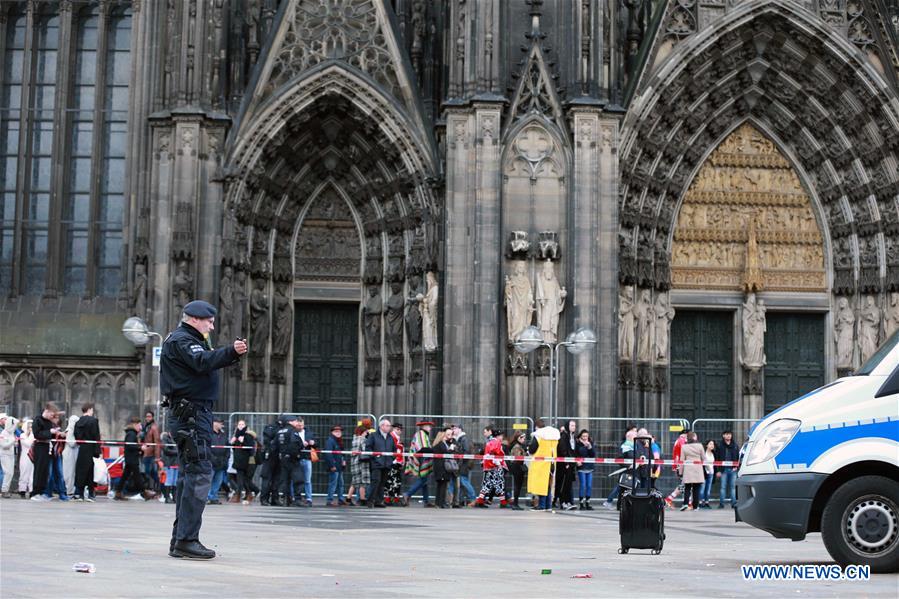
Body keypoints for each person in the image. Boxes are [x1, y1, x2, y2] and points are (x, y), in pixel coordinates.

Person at [160, 299, 247, 559]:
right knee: (198, 474)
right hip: (191, 415)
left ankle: (181, 540)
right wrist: (230, 351)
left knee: (191, 475)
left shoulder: (186, 339)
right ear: (194, 318)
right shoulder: (182, 340)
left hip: (193, 414)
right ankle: (186, 539)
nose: (212, 324)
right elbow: (202, 362)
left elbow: (203, 363)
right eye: (208, 320)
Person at [117, 417, 155, 500]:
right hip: (132, 459)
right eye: (139, 425)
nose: (140, 427)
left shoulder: (132, 433)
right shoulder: (131, 434)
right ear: (135, 424)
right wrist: (140, 448)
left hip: (130, 458)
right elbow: (130, 445)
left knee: (125, 476)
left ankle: (118, 492)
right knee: (137, 476)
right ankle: (144, 492)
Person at [365, 418, 398, 508]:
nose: (389, 427)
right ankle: (370, 501)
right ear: (381, 426)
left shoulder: (390, 437)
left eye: (389, 426)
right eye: (387, 426)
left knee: (382, 483)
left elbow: (394, 449)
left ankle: (379, 501)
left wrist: (391, 459)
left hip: (387, 463)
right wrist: (376, 457)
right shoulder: (373, 435)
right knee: (376, 482)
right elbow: (368, 448)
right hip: (376, 464)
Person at [603, 425, 637, 508]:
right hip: (626, 470)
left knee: (623, 486)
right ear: (629, 437)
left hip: (632, 470)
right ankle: (609, 501)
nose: (636, 437)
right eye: (634, 436)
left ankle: (617, 503)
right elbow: (619, 458)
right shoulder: (624, 446)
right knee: (621, 486)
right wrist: (628, 465)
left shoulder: (633, 446)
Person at [527, 419, 559, 510]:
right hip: (552, 463)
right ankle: (548, 505)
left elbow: (532, 449)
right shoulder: (554, 436)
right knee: (548, 485)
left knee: (541, 485)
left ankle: (541, 506)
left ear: (536, 427)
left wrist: (528, 449)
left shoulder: (539, 435)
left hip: (541, 464)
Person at [471, 430, 508, 508]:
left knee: (487, 485)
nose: (502, 438)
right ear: (498, 436)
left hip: (488, 466)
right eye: (501, 436)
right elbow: (494, 453)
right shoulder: (496, 442)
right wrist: (498, 464)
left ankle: (480, 500)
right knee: (500, 484)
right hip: (495, 466)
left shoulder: (489, 442)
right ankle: (503, 502)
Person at [30, 403, 59, 501]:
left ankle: (42, 491)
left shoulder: (48, 422)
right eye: (52, 414)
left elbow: (50, 435)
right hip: (39, 446)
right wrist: (49, 432)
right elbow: (37, 434)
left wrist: (56, 433)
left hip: (47, 446)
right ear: (46, 411)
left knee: (45, 470)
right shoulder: (37, 420)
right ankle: (35, 492)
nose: (52, 417)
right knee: (39, 469)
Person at [73, 403, 101, 501]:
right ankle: (90, 493)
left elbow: (76, 436)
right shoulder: (93, 421)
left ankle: (79, 493)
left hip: (82, 448)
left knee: (80, 470)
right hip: (91, 447)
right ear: (89, 410)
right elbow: (96, 436)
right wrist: (97, 451)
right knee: (90, 471)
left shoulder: (78, 422)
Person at [277, 415, 306, 507]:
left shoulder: (280, 431)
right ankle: (297, 499)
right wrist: (298, 450)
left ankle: (286, 499)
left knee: (285, 479)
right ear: (290, 422)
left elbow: (276, 443)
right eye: (295, 421)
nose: (297, 423)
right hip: (292, 459)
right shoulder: (292, 431)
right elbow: (295, 443)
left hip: (283, 458)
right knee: (298, 479)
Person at [404, 420, 434, 507]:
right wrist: (434, 449)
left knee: (424, 480)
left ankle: (426, 500)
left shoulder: (423, 434)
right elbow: (423, 448)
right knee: (423, 479)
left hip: (422, 458)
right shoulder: (421, 434)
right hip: (421, 459)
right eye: (429, 426)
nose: (430, 428)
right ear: (423, 426)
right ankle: (408, 494)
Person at [429, 426, 458, 508]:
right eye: (447, 435)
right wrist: (451, 449)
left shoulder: (443, 444)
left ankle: (439, 503)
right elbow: (446, 453)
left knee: (442, 486)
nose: (449, 437)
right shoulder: (440, 444)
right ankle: (440, 503)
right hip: (441, 468)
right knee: (442, 486)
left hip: (443, 468)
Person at [230, 420, 256, 504]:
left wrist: (243, 441)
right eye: (239, 424)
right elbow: (234, 449)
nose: (241, 426)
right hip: (238, 460)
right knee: (240, 479)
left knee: (244, 479)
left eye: (242, 424)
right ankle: (246, 494)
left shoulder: (248, 435)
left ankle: (241, 495)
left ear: (245, 425)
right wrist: (232, 443)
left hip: (246, 461)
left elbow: (251, 449)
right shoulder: (236, 435)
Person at [259, 416, 283, 506]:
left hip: (277, 456)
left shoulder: (281, 428)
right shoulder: (271, 427)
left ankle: (274, 499)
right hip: (270, 456)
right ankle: (264, 499)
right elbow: (267, 440)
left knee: (276, 479)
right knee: (267, 479)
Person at [347, 418, 372, 506]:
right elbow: (365, 450)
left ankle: (348, 498)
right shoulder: (363, 440)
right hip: (361, 463)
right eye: (365, 432)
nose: (366, 433)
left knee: (354, 482)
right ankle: (362, 499)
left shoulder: (354, 439)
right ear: (362, 432)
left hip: (354, 462)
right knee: (362, 482)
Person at [678, 432, 705, 511]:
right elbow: (704, 458)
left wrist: (680, 472)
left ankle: (685, 503)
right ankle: (695, 506)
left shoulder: (684, 447)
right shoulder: (700, 446)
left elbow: (681, 461)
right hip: (698, 469)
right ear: (694, 437)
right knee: (696, 488)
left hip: (688, 469)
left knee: (687, 487)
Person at [555, 420, 578, 510]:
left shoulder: (573, 437)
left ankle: (568, 502)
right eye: (572, 425)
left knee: (568, 485)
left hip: (571, 464)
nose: (573, 427)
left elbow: (573, 450)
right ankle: (563, 502)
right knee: (564, 484)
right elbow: (562, 449)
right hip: (565, 464)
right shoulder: (564, 436)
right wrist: (566, 462)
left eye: (574, 425)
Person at [294, 417, 316, 506]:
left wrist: (313, 443)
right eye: (298, 425)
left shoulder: (309, 433)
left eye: (301, 425)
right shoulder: (293, 433)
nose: (300, 427)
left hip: (307, 458)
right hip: (296, 458)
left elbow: (316, 443)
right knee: (295, 480)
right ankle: (295, 497)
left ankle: (309, 498)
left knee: (307, 480)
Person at [452, 424, 476, 507]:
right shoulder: (459, 439)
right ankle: (461, 500)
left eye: (454, 428)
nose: (453, 430)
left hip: (464, 464)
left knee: (463, 481)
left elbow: (466, 452)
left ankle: (473, 498)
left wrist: (456, 449)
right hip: (463, 463)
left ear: (460, 429)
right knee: (462, 482)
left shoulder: (464, 439)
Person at [715, 430, 740, 509]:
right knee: (723, 487)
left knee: (733, 487)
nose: (728, 436)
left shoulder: (735, 446)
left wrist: (736, 466)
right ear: (723, 436)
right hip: (723, 469)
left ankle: (734, 503)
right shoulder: (720, 446)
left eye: (729, 434)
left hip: (733, 470)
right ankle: (721, 504)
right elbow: (717, 458)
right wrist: (718, 470)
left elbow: (738, 457)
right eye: (726, 434)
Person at [665, 429, 689, 509]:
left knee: (684, 484)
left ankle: (669, 499)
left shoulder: (678, 440)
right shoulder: (682, 440)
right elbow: (685, 451)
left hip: (679, 465)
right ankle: (669, 499)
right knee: (685, 484)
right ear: (685, 434)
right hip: (681, 465)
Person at [207, 419, 229, 505]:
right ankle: (207, 497)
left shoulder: (223, 435)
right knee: (209, 480)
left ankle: (214, 497)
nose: (222, 425)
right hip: (211, 461)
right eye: (220, 423)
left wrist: (225, 459)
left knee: (218, 481)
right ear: (214, 423)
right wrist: (212, 458)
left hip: (221, 461)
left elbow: (227, 447)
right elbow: (207, 448)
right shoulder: (209, 434)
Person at [324, 425, 346, 506]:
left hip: (339, 466)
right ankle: (329, 500)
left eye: (339, 431)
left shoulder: (339, 441)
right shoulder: (330, 441)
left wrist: (344, 461)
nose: (338, 433)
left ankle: (341, 499)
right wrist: (332, 465)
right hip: (334, 466)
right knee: (333, 483)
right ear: (332, 432)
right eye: (336, 431)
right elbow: (328, 454)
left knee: (341, 484)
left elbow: (342, 453)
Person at [384, 423, 404, 505]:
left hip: (397, 461)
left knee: (396, 481)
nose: (399, 431)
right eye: (398, 429)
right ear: (394, 429)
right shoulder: (391, 437)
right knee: (391, 480)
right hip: (393, 461)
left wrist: (402, 461)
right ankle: (388, 498)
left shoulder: (396, 438)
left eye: (400, 429)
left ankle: (394, 498)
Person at [141, 410, 161, 491]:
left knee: (148, 472)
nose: (147, 418)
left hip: (150, 454)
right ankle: (158, 488)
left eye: (149, 416)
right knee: (152, 473)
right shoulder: (146, 426)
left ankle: (152, 489)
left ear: (152, 417)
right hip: (145, 452)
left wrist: (157, 456)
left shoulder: (153, 427)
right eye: (146, 416)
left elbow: (157, 442)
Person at [507, 430, 527, 511]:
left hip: (517, 467)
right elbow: (518, 458)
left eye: (524, 438)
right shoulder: (517, 446)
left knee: (518, 486)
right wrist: (525, 454)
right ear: (518, 438)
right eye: (522, 437)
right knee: (517, 486)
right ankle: (515, 504)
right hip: (517, 467)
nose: (523, 439)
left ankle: (515, 503)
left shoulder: (518, 445)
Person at [576, 429, 595, 510]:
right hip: (581, 467)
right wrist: (584, 446)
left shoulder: (590, 443)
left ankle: (587, 502)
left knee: (589, 486)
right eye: (583, 436)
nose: (585, 438)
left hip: (589, 467)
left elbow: (593, 454)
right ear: (581, 436)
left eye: (586, 436)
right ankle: (581, 503)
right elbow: (578, 453)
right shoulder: (578, 444)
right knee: (583, 485)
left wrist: (590, 447)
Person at [62, 413, 80, 496]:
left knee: (72, 472)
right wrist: (78, 441)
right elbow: (71, 443)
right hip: (69, 453)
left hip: (73, 453)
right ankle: (68, 490)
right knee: (69, 472)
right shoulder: (70, 430)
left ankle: (71, 489)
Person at [160, 431, 179, 504]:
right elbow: (166, 450)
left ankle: (174, 497)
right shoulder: (165, 439)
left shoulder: (177, 438)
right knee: (169, 480)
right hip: (169, 462)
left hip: (176, 462)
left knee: (175, 481)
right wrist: (177, 452)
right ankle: (167, 497)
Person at [0, 414, 16, 498]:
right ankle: (4, 490)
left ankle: (6, 489)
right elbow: (3, 445)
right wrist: (13, 441)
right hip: (4, 455)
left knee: (11, 473)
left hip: (11, 455)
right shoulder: (4, 433)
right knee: (7, 473)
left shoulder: (11, 433)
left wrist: (14, 443)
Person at [18, 419, 34, 498]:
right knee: (24, 473)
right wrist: (31, 435)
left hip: (32, 456)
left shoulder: (33, 435)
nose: (30, 428)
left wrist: (32, 434)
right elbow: (28, 444)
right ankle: (22, 490)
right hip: (25, 455)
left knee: (32, 474)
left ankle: (31, 490)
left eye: (31, 426)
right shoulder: (22, 435)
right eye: (29, 426)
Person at [700, 439, 716, 509]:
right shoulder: (704, 453)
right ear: (706, 445)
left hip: (711, 473)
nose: (712, 445)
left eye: (712, 444)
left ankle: (707, 502)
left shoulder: (714, 453)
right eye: (710, 444)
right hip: (704, 473)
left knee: (708, 489)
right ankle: (701, 502)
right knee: (702, 488)